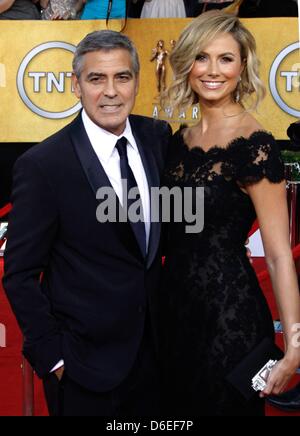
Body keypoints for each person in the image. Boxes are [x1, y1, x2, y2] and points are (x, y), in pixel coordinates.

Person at [3, 30, 171, 416]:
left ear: (136, 82)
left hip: (157, 363)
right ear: (76, 86)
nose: (110, 91)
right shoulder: (44, 165)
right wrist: (55, 360)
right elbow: (20, 274)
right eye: (97, 79)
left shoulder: (157, 138)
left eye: (122, 77)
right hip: (84, 372)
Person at [159, 10, 300, 416]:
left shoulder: (254, 145)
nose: (212, 70)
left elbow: (277, 255)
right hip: (173, 314)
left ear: (242, 67)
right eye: (202, 57)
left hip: (229, 318)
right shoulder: (178, 141)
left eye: (226, 59)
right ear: (187, 64)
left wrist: (293, 346)